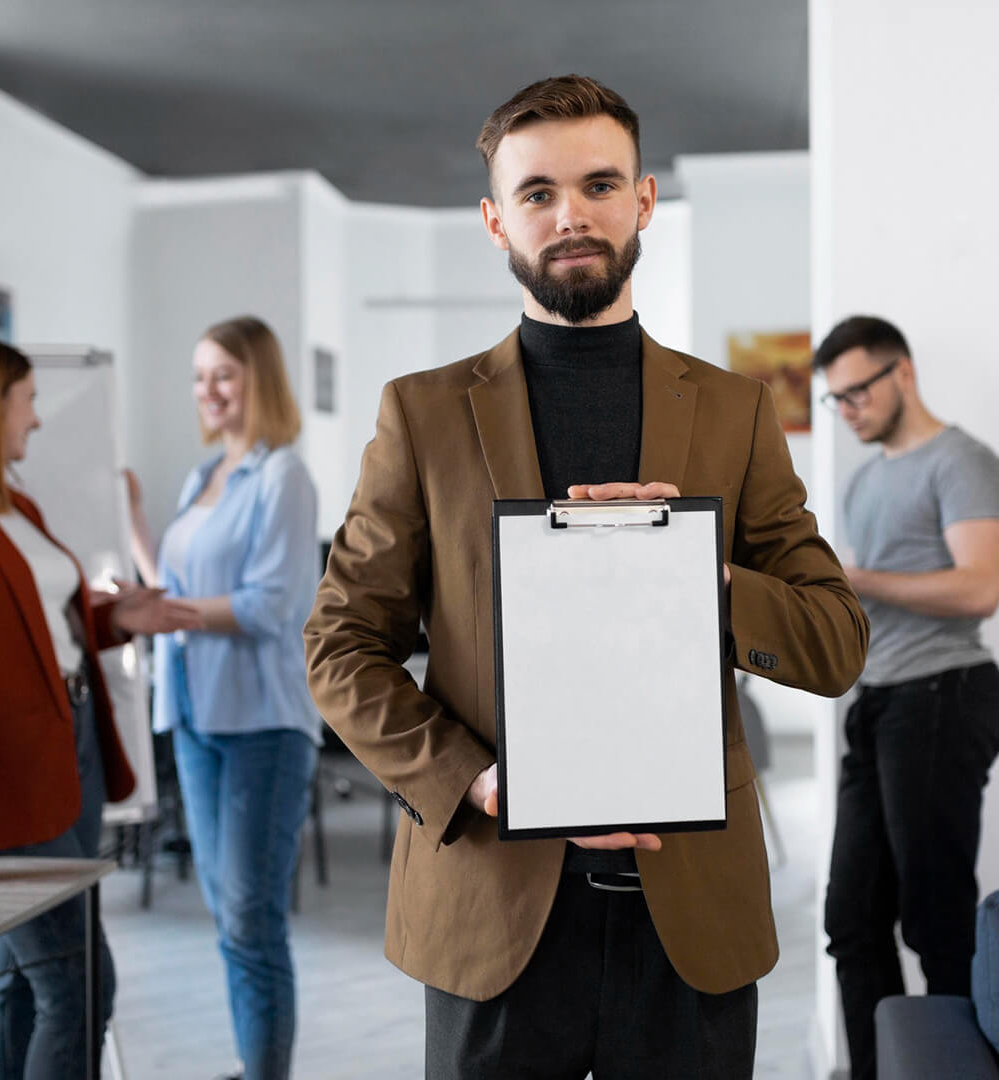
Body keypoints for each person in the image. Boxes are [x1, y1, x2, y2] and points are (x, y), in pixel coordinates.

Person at [304, 74, 868, 1079]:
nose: (571, 215)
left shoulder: (736, 412)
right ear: (494, 219)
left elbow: (834, 643)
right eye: (537, 192)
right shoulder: (421, 415)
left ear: (642, 200)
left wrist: (702, 573)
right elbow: (342, 647)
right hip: (491, 911)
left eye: (599, 184)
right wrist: (474, 780)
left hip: (689, 917)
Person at [0, 335, 201, 1080]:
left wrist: (117, 620)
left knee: (22, 980)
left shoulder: (13, 503)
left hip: (67, 751)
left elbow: (42, 626)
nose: (36, 421)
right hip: (2, 780)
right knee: (77, 983)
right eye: (27, 402)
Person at [127, 315, 320, 1080]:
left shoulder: (283, 477)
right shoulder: (201, 477)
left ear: (259, 380)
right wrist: (139, 524)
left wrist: (164, 612)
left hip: (261, 722)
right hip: (195, 713)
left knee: (250, 918)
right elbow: (178, 587)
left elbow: (271, 603)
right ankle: (254, 1066)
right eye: (199, 376)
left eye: (224, 375)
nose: (206, 390)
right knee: (226, 912)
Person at [814, 315, 999, 1080]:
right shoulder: (864, 482)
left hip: (942, 694)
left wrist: (855, 579)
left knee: (935, 921)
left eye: (858, 389)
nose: (849, 407)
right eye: (836, 398)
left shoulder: (959, 461)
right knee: (852, 923)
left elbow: (981, 587)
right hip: (878, 701)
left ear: (903, 374)